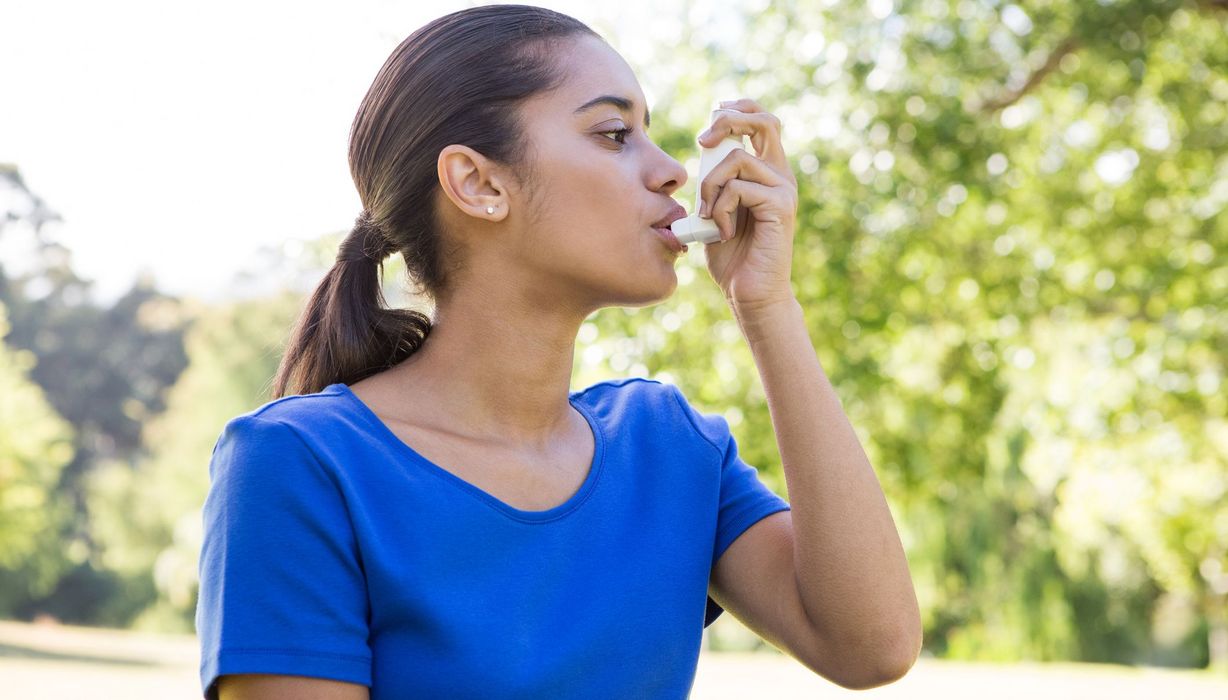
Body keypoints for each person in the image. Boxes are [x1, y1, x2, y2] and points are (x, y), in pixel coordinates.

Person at [195, 4, 921, 699]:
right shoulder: (297, 462)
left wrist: (766, 306)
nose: (672, 171)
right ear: (479, 183)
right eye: (614, 134)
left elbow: (871, 646)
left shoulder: (668, 445)